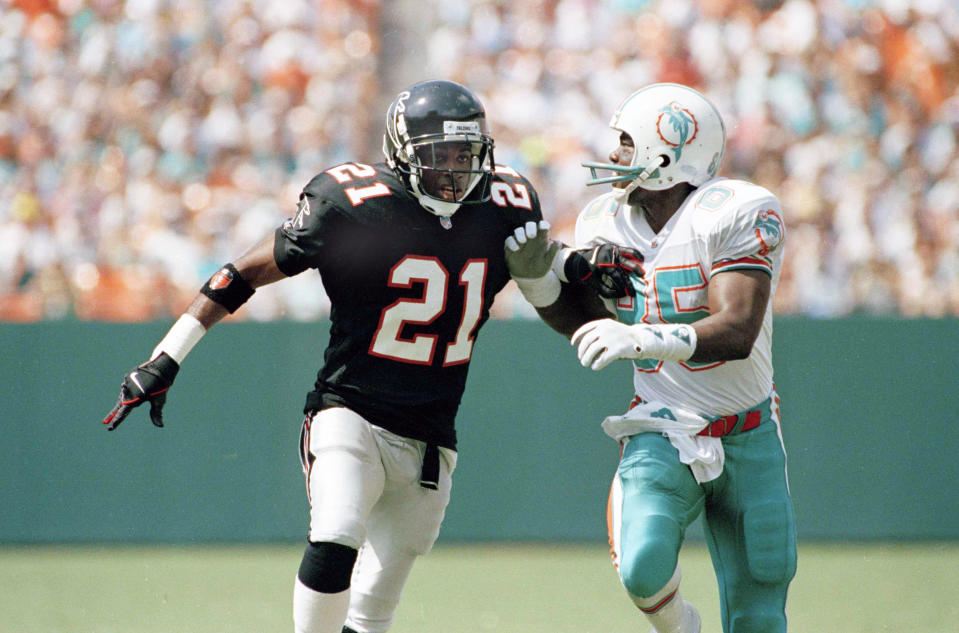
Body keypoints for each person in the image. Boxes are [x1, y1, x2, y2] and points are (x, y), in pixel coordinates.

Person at [99, 79, 614, 633]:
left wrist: (573, 274)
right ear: (402, 150)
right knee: (337, 531)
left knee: (374, 609)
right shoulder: (351, 202)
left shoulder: (504, 204)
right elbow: (242, 274)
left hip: (431, 434)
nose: (456, 170)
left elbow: (559, 305)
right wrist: (167, 356)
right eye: (440, 156)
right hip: (350, 410)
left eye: (467, 155)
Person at [507, 83, 798, 633]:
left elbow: (737, 328)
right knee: (642, 565)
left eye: (624, 142)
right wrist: (538, 285)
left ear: (665, 154)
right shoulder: (603, 220)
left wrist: (645, 339)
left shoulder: (736, 210)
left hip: (749, 431)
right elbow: (591, 327)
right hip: (662, 425)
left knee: (760, 613)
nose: (614, 155)